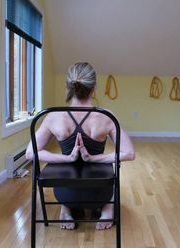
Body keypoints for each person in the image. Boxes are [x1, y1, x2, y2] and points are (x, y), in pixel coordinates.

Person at [26, 62, 135, 230]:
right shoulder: (106, 117)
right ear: (94, 88)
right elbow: (129, 153)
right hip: (101, 192)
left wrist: (67, 158)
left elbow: (30, 153)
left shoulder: (53, 117)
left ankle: (66, 208)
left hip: (64, 193)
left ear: (68, 87)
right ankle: (106, 207)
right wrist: (94, 158)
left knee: (67, 188)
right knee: (108, 191)